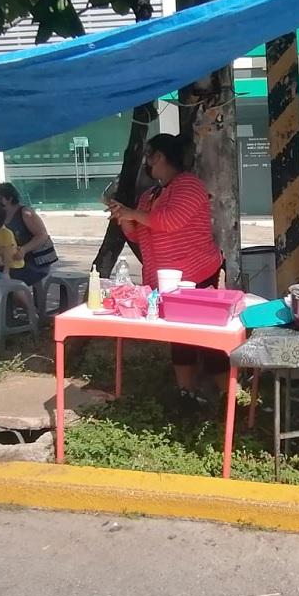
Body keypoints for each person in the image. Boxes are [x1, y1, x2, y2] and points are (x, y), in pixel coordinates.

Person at [108, 134, 226, 407]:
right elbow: (138, 235)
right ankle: (186, 391)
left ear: (159, 157)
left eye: (149, 157)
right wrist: (123, 218)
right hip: (165, 278)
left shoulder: (189, 186)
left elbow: (170, 221)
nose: (147, 164)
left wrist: (133, 214)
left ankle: (227, 392)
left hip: (197, 273)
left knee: (206, 336)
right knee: (178, 336)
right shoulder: (151, 194)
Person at [0, 182, 58, 288]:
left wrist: (24, 250)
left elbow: (42, 235)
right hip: (11, 261)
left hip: (33, 262)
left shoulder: (25, 213)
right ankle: (1, 303)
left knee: (10, 283)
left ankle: (27, 305)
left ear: (9, 198)